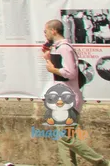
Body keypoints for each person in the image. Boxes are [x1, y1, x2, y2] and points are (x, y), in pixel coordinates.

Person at [42, 18, 108, 166]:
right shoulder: (58, 48)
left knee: (66, 138)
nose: (44, 34)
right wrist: (48, 59)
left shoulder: (65, 48)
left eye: (45, 31)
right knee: (63, 138)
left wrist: (53, 69)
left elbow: (71, 73)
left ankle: (102, 163)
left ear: (53, 31)